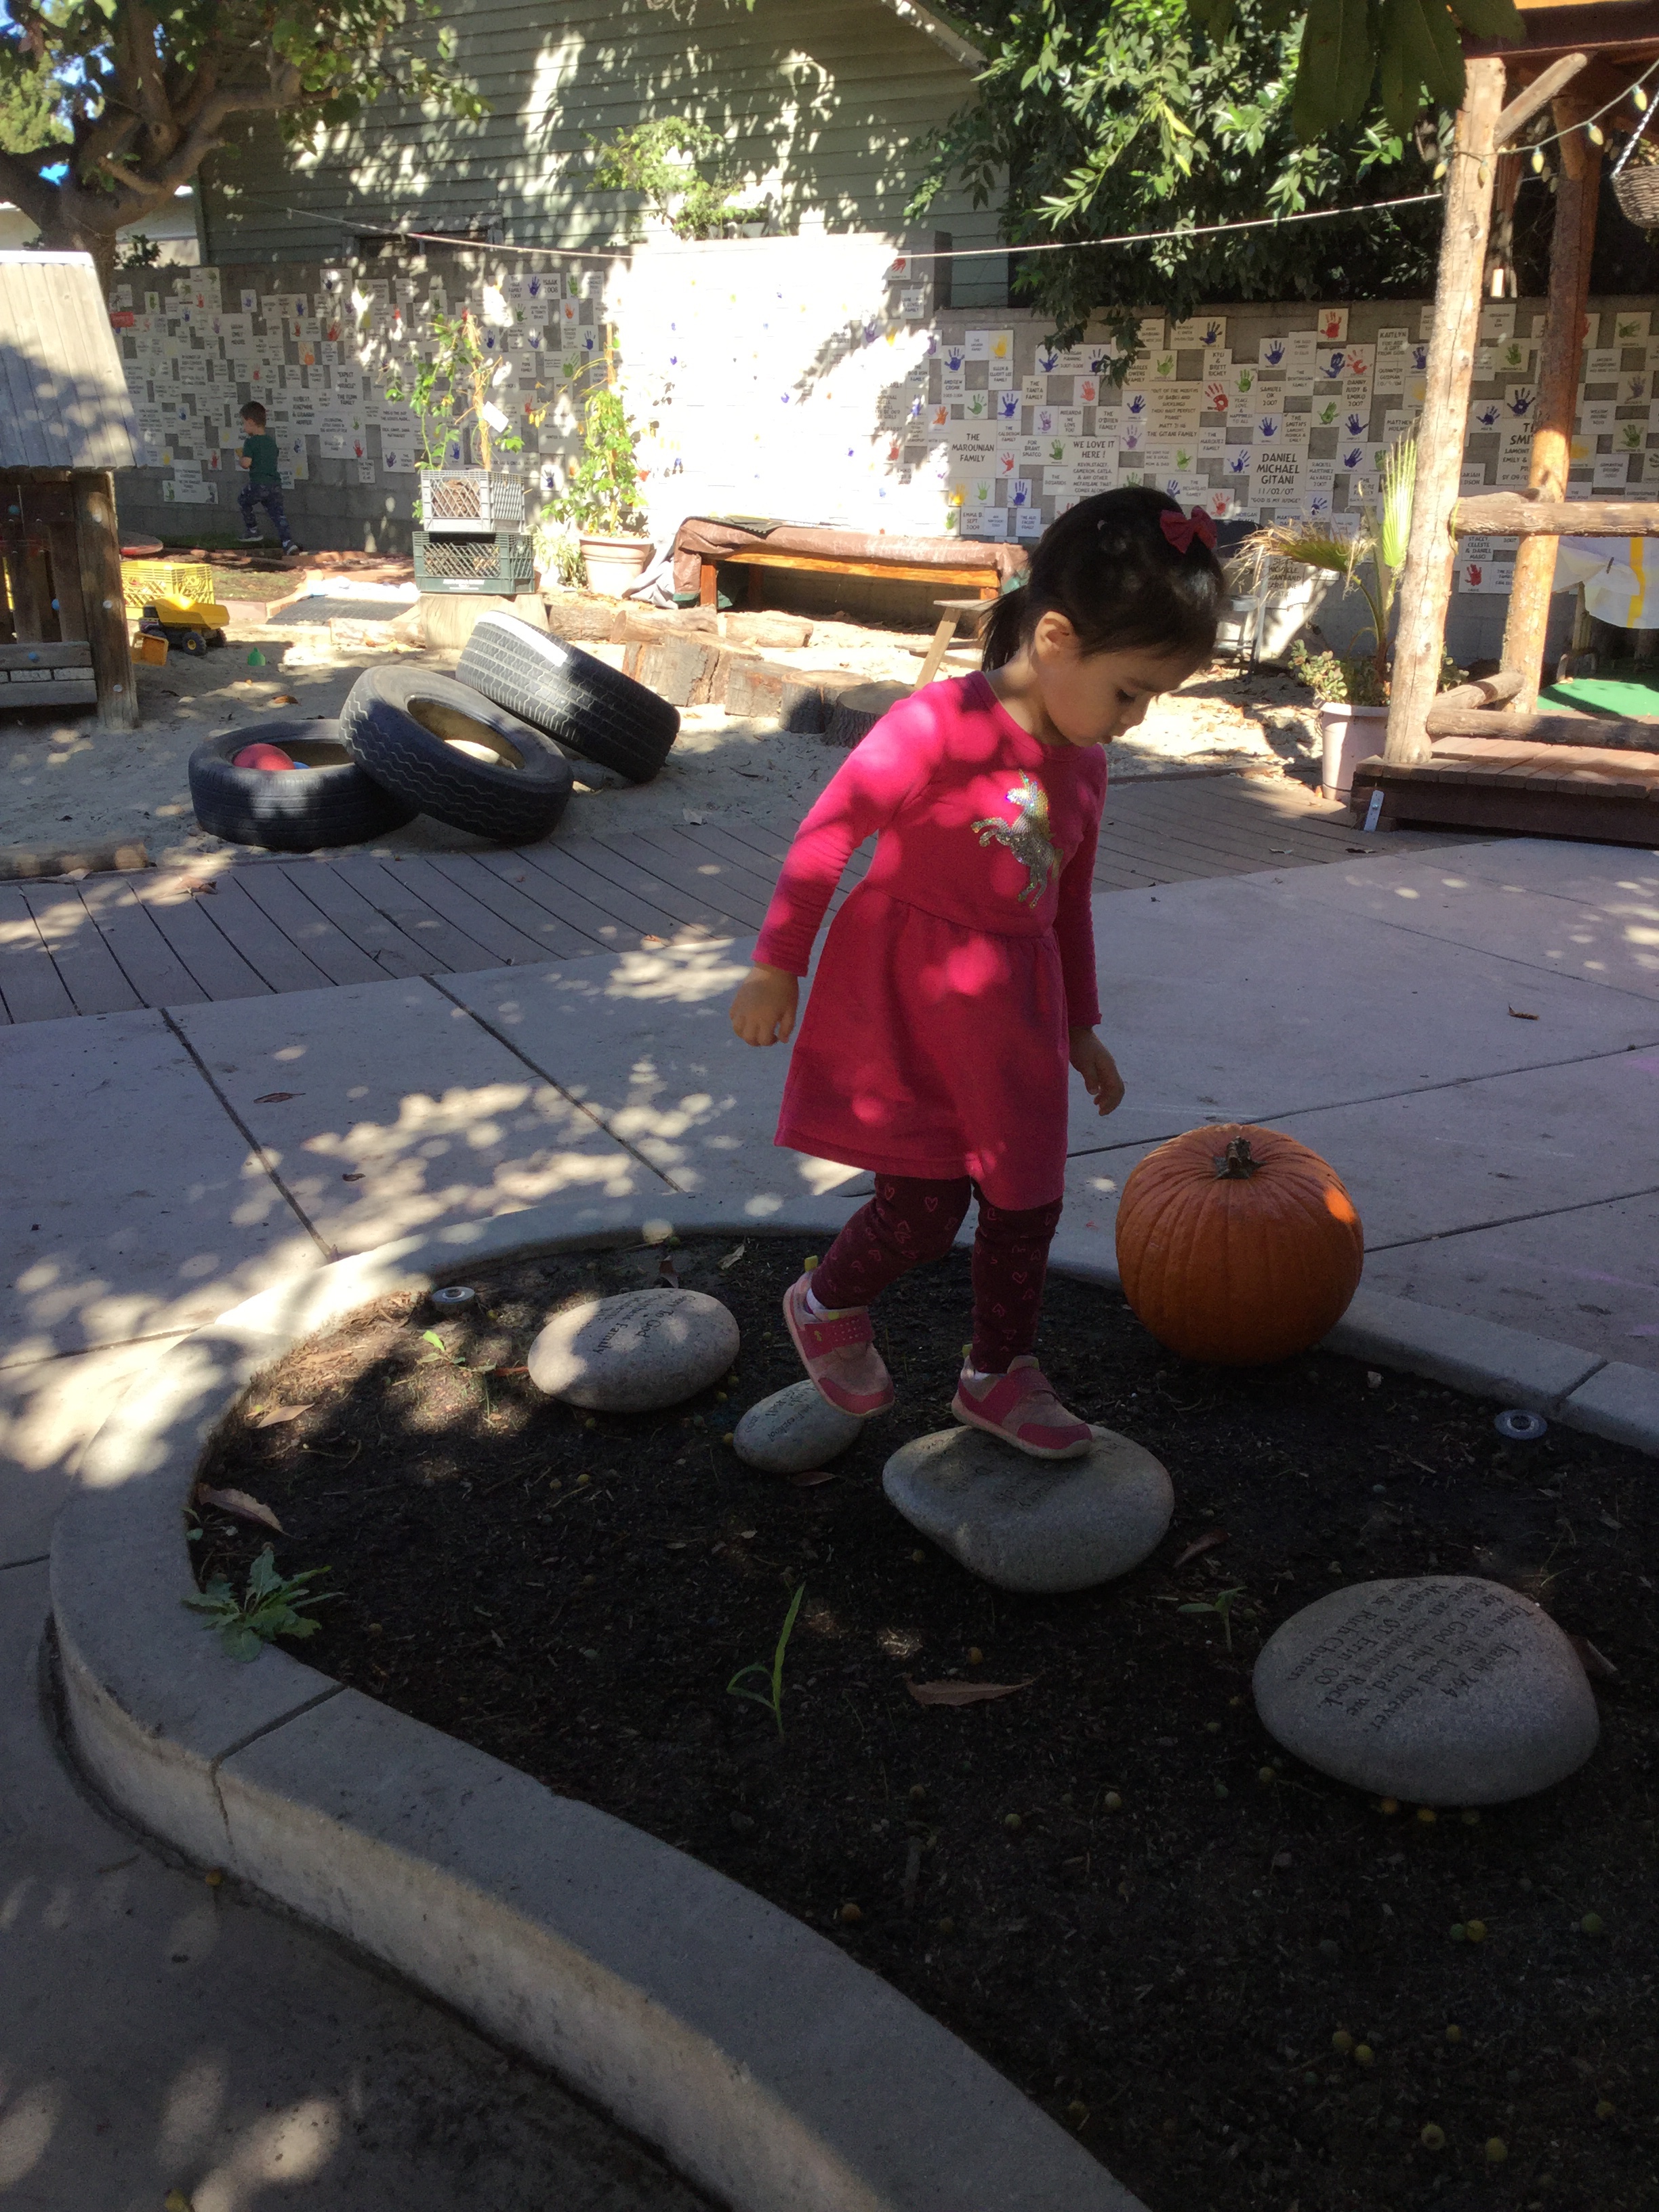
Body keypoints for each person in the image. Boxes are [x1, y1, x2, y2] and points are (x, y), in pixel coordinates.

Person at [729, 487, 1223, 1458]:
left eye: (1152, 700)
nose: (1135, 720)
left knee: (1027, 1202)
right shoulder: (935, 725)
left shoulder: (1086, 767)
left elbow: (1067, 906)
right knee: (920, 1211)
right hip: (907, 1006)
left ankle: (998, 1373)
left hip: (1015, 1016)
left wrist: (1081, 1026)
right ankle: (826, 1302)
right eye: (1130, 692)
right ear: (1055, 639)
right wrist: (777, 965)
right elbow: (829, 836)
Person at [236, 402, 302, 555]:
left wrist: (241, 458)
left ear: (251, 422)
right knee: (278, 514)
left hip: (258, 484)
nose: (243, 427)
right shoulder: (271, 442)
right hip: (274, 485)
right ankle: (288, 543)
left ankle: (253, 530)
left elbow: (246, 464)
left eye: (243, 423)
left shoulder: (251, 442)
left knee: (243, 500)